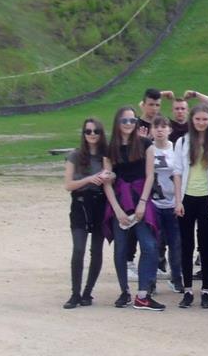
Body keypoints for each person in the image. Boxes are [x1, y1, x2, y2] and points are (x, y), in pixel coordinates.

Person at [103, 107, 163, 311]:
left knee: (149, 245)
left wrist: (143, 203)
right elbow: (107, 181)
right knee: (120, 248)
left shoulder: (146, 144)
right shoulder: (110, 148)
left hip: (140, 197)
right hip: (119, 199)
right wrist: (117, 210)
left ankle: (143, 294)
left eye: (131, 120)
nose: (128, 124)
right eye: (124, 121)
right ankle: (124, 291)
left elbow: (150, 176)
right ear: (117, 123)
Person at [172, 104, 208, 309]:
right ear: (192, 121)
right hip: (187, 197)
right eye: (198, 119)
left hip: (207, 198)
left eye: (205, 119)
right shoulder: (183, 142)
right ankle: (187, 290)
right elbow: (177, 172)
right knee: (186, 245)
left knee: (206, 246)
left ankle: (205, 288)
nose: (202, 123)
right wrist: (177, 201)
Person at [63, 118, 110, 308]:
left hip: (99, 203)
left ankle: (87, 292)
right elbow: (68, 185)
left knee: (96, 250)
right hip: (81, 204)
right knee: (79, 248)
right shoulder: (75, 156)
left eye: (96, 131)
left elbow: (111, 176)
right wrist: (90, 179)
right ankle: (75, 293)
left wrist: (108, 176)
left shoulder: (105, 156)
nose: (92, 135)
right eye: (88, 131)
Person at [149, 116, 183, 295]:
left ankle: (176, 278)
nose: (160, 130)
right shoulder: (148, 150)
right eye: (156, 127)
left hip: (173, 203)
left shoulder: (176, 149)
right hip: (154, 203)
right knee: (153, 244)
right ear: (151, 130)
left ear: (170, 130)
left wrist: (180, 201)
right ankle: (150, 280)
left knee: (176, 244)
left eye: (164, 127)